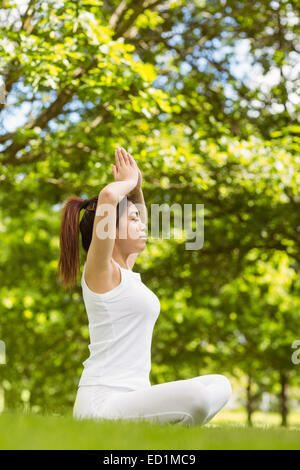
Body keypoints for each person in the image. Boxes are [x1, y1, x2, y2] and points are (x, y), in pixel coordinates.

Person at [57, 147, 232, 426]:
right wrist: (125, 184)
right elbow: (108, 197)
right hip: (103, 402)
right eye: (133, 220)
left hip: (135, 397)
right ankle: (171, 440)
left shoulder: (126, 271)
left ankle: (168, 434)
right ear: (109, 230)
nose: (142, 225)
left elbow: (134, 210)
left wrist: (136, 186)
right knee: (196, 397)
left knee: (220, 384)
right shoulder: (100, 272)